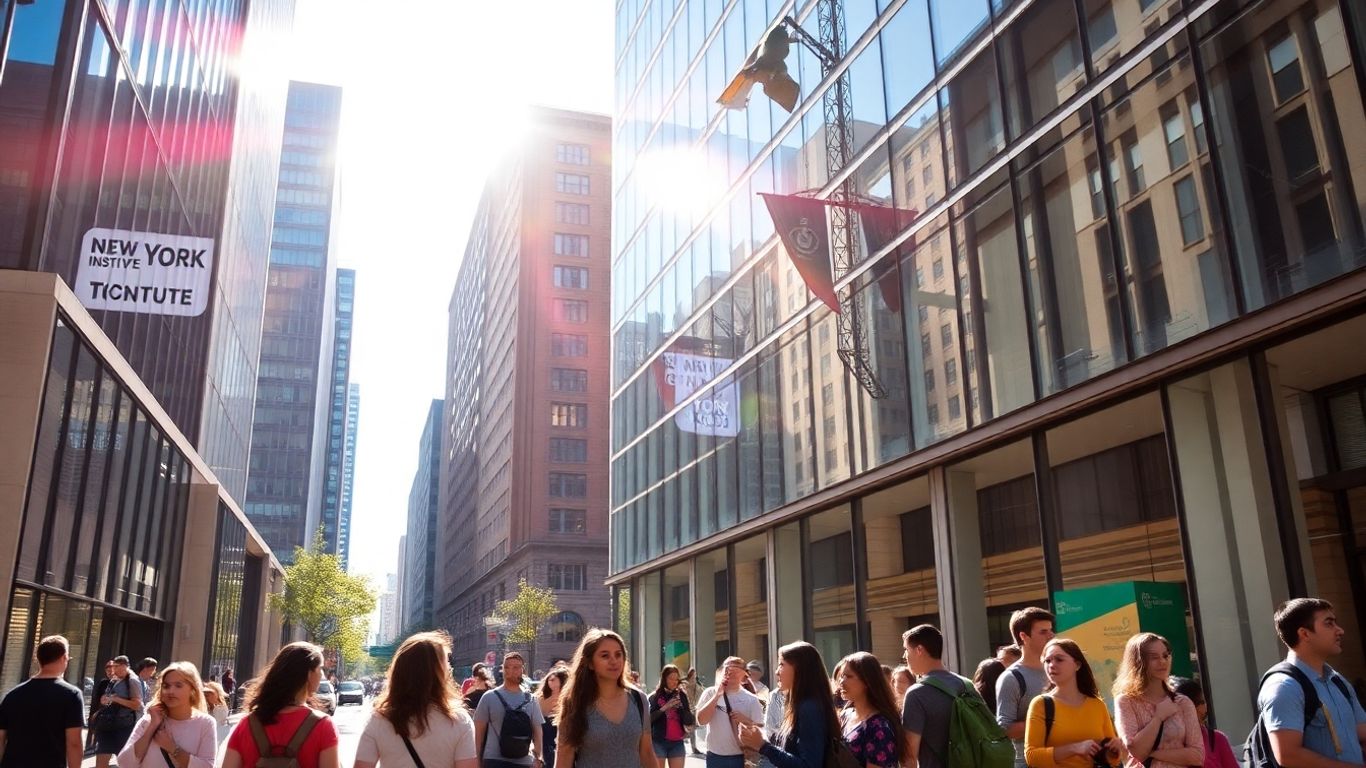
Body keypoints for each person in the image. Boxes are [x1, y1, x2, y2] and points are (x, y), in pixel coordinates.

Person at [1256, 597, 1366, 767]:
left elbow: (1361, 731)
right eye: (1329, 623)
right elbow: (1288, 756)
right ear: (1304, 634)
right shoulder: (1283, 687)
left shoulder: (1337, 681)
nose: (1340, 631)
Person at [355, 631, 477, 768]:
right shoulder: (459, 722)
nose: (450, 668)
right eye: (447, 663)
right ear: (440, 674)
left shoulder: (379, 720)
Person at [221, 641, 340, 768]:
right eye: (320, 668)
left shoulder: (246, 725)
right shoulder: (323, 726)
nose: (322, 674)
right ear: (308, 674)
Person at [554, 629, 653, 768]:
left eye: (618, 655)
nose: (614, 661)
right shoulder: (575, 702)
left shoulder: (638, 699)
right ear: (590, 663)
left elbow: (647, 752)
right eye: (605, 656)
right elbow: (564, 756)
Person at [1024, 639, 1124, 768]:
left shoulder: (1097, 704)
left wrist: (1114, 750)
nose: (1052, 665)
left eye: (1059, 659)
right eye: (1047, 661)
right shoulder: (1040, 704)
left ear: (1077, 665)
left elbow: (1112, 760)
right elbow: (1031, 756)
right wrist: (1074, 748)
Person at [737, 641, 836, 768]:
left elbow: (809, 765)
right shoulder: (800, 704)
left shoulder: (809, 708)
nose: (776, 672)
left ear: (800, 668)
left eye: (781, 664)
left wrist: (763, 746)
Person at [1112, 633, 1203, 768]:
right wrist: (1158, 717)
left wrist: (1153, 753)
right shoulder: (1126, 701)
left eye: (1165, 656)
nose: (1162, 661)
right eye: (1154, 657)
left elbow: (1198, 756)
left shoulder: (1182, 702)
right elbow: (1136, 752)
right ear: (1139, 662)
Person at [0, 635, 84, 768]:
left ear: (38, 659)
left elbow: (1, 738)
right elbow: (74, 743)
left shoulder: (12, 695)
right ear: (64, 657)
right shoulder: (71, 695)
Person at [116, 661, 217, 768]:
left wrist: (173, 748)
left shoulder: (205, 723)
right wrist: (152, 727)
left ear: (192, 690)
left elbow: (207, 766)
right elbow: (124, 763)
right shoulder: (148, 721)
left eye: (178, 685)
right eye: (166, 686)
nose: (170, 691)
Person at [901, 624, 972, 768]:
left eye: (906, 650)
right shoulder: (967, 685)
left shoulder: (917, 694)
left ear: (919, 650)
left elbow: (909, 757)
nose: (904, 656)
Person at [999, 607, 1057, 768]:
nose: (1051, 636)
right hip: (1028, 763)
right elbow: (1004, 729)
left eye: (1051, 630)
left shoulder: (1060, 668)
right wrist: (1045, 721)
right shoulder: (1011, 678)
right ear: (1023, 637)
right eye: (1043, 632)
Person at [474, 651, 545, 768]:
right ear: (502, 669)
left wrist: (539, 758)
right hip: (494, 761)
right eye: (507, 667)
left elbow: (538, 731)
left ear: (522, 670)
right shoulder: (488, 697)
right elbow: (478, 734)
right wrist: (476, 761)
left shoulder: (532, 700)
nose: (510, 671)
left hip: (524, 762)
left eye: (516, 667)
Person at [835, 652, 906, 768]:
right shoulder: (845, 715)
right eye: (842, 676)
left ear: (867, 681)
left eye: (849, 676)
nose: (841, 682)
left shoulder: (879, 726)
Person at [697, 657, 764, 768]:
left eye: (735, 669)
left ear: (744, 674)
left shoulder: (751, 699)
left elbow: (760, 731)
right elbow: (701, 721)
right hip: (715, 756)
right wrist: (716, 696)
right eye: (727, 668)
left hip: (741, 757)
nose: (731, 672)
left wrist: (745, 720)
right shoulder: (710, 693)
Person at [1169, 678, 1237, 768]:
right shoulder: (1168, 745)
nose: (1203, 708)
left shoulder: (1217, 739)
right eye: (1198, 703)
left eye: (1203, 702)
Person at [94, 654, 143, 768]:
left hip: (124, 727)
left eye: (117, 667)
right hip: (107, 725)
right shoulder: (114, 679)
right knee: (101, 760)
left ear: (125, 666)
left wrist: (115, 699)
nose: (114, 670)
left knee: (125, 762)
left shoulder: (132, 680)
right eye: (114, 667)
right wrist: (105, 700)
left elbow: (137, 705)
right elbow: (108, 697)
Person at [650, 664, 693, 768]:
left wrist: (681, 708)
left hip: (677, 742)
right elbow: (649, 719)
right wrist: (665, 707)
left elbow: (689, 720)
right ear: (664, 679)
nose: (674, 682)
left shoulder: (681, 695)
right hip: (659, 741)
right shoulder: (655, 696)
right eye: (671, 678)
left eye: (676, 679)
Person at [760, 659, 789, 768]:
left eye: (782, 666)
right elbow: (769, 727)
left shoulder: (809, 702)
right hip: (775, 751)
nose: (777, 672)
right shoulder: (774, 695)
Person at [539, 667, 568, 768]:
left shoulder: (569, 699)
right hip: (544, 742)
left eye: (554, 679)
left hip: (562, 742)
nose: (551, 682)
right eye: (549, 679)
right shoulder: (541, 698)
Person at [87, 660, 116, 753]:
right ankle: (92, 746)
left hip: (113, 711)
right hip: (102, 709)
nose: (110, 673)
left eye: (111, 671)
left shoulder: (119, 683)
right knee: (96, 726)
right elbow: (97, 697)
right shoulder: (103, 682)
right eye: (108, 671)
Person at [681, 668, 703, 756]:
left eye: (695, 675)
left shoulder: (697, 686)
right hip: (686, 710)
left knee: (692, 729)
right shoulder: (684, 685)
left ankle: (693, 747)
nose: (694, 677)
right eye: (693, 675)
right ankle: (682, 743)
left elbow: (701, 693)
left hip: (694, 709)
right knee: (687, 729)